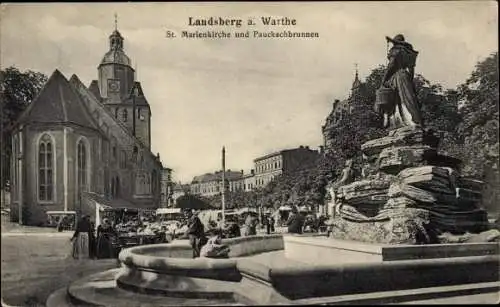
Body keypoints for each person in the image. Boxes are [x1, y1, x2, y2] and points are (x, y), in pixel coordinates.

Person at [376, 34, 422, 129]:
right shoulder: (409, 53)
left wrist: (383, 80)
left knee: (390, 95)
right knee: (408, 98)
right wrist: (409, 80)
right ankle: (414, 120)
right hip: (406, 76)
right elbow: (412, 70)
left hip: (397, 76)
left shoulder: (396, 50)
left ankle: (396, 121)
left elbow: (391, 66)